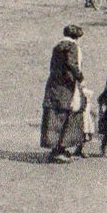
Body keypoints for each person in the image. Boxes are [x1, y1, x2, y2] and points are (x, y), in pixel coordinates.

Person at [41, 27, 89, 163]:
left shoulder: (57, 47)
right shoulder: (73, 47)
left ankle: (54, 148)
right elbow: (73, 65)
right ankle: (61, 149)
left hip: (54, 84)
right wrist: (81, 79)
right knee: (68, 113)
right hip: (67, 85)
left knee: (54, 115)